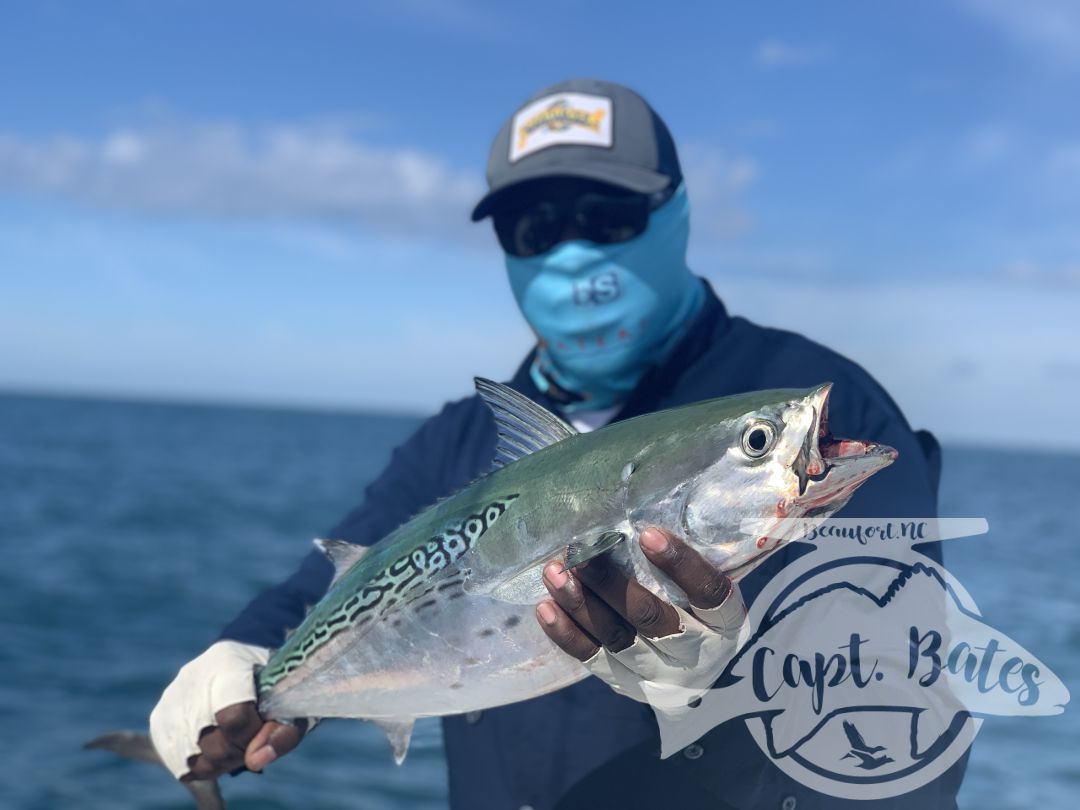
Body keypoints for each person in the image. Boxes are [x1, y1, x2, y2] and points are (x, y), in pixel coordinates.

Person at [150, 78, 964, 809]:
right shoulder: (461, 440)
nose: (576, 255)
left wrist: (727, 685)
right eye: (535, 226)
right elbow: (335, 587)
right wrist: (246, 660)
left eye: (608, 216)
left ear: (676, 210)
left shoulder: (815, 407)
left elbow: (899, 713)